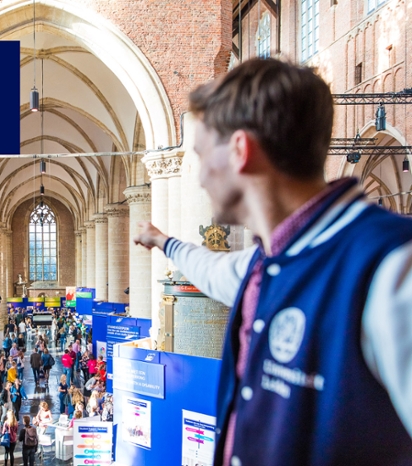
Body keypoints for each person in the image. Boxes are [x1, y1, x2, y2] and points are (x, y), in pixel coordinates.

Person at [132, 58, 412, 465]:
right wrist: (162, 241)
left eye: (202, 155)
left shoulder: (390, 265)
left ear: (240, 151)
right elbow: (211, 271)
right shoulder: (269, 264)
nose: (200, 177)